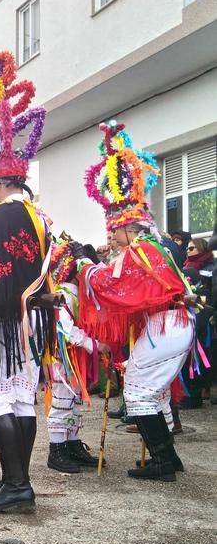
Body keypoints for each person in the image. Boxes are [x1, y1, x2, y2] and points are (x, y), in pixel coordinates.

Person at [76, 120, 194, 482]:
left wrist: (84, 268)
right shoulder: (153, 249)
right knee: (148, 389)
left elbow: (110, 286)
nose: (110, 239)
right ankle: (168, 458)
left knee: (138, 390)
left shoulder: (140, 253)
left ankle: (162, 462)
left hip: (167, 327)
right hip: (173, 325)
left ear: (128, 227)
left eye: (114, 232)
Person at [0, 51, 55, 513]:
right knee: (23, 399)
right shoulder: (39, 219)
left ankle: (17, 484)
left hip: (4, 324)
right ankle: (14, 480)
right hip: (36, 323)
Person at [45, 236, 100, 473]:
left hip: (74, 358)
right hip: (62, 358)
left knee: (74, 401)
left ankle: (72, 443)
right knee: (63, 400)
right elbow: (64, 329)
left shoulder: (77, 294)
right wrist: (94, 344)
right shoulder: (63, 295)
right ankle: (56, 450)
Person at [178, 237, 214, 408]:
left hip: (203, 316)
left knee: (199, 356)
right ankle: (190, 393)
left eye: (191, 248)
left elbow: (209, 294)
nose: (187, 251)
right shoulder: (187, 267)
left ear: (201, 248)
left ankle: (196, 393)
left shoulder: (209, 267)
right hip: (189, 316)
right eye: (187, 248)